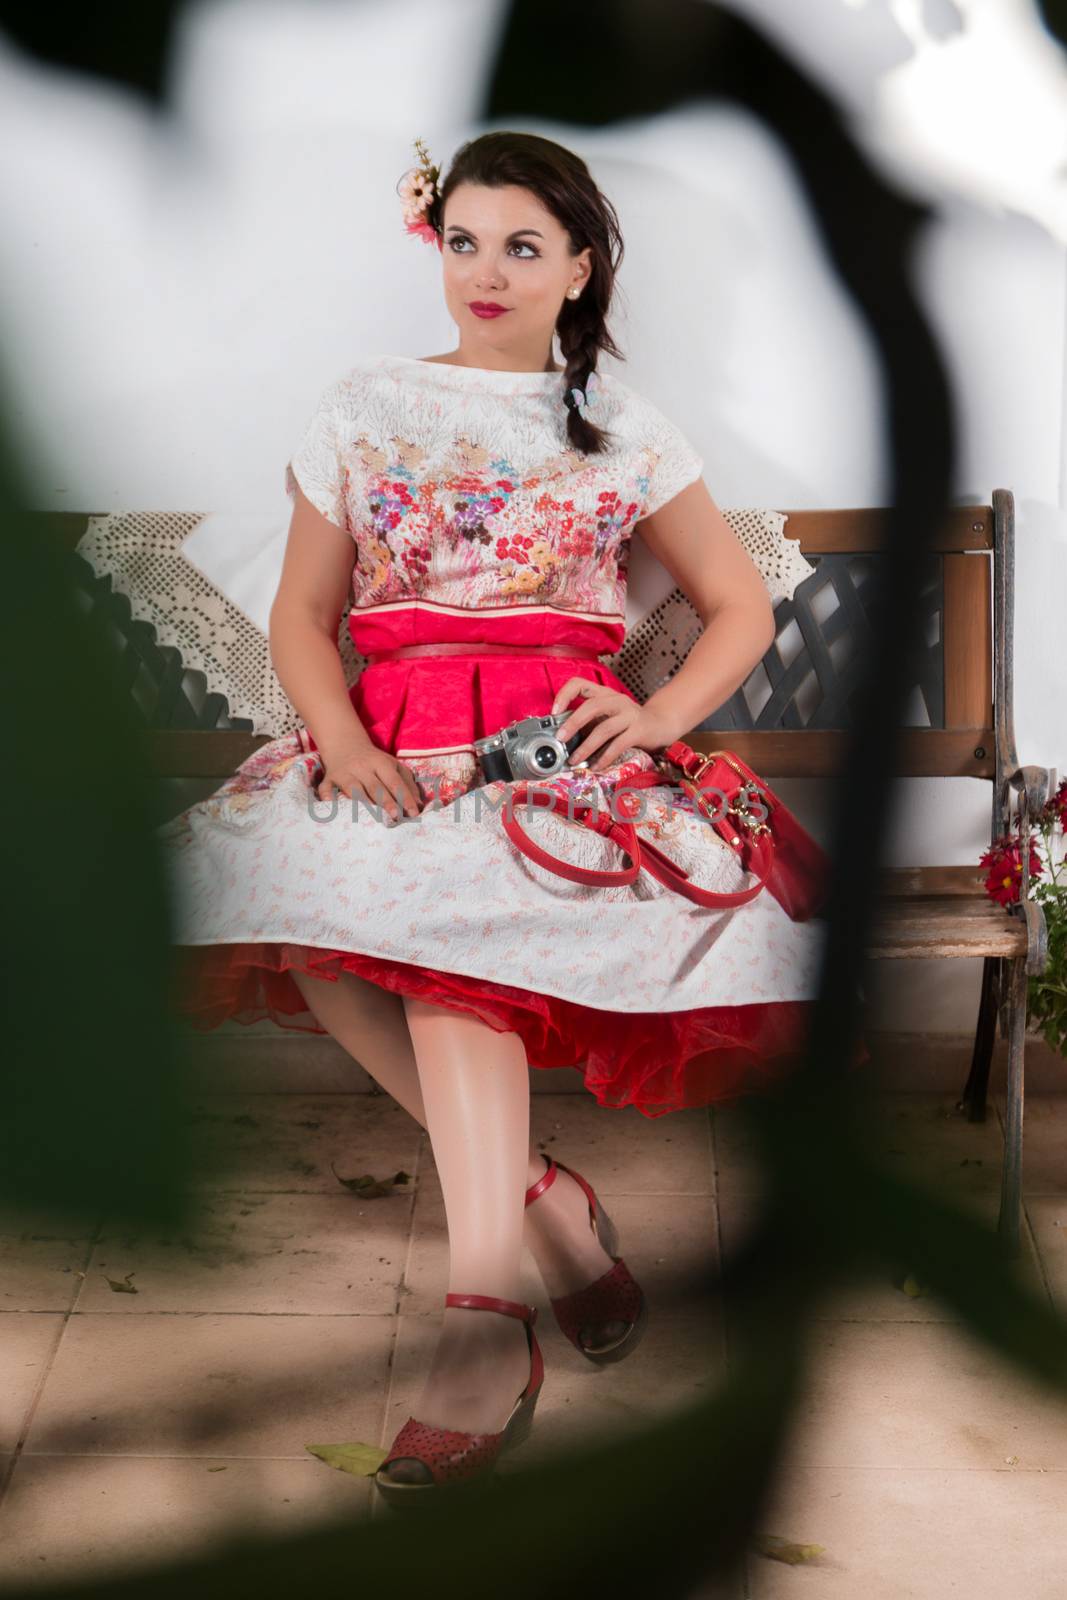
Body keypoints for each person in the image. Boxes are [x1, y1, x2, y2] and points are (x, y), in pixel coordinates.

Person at [159, 129, 830, 1506]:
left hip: (544, 758)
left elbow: (739, 602)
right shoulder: (364, 402)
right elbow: (302, 610)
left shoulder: (627, 427)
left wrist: (652, 718)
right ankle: (548, 1210)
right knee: (292, 918)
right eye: (464, 240)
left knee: (452, 944)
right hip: (391, 734)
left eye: (524, 246)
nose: (487, 271)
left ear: (581, 267)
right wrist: (337, 739)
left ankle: (481, 1329)